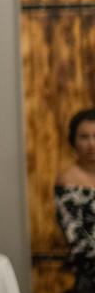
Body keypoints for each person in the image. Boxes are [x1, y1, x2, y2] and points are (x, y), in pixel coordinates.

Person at [56, 109, 95, 273]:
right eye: (84, 137)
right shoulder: (68, 180)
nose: (91, 144)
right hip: (89, 261)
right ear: (73, 141)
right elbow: (76, 236)